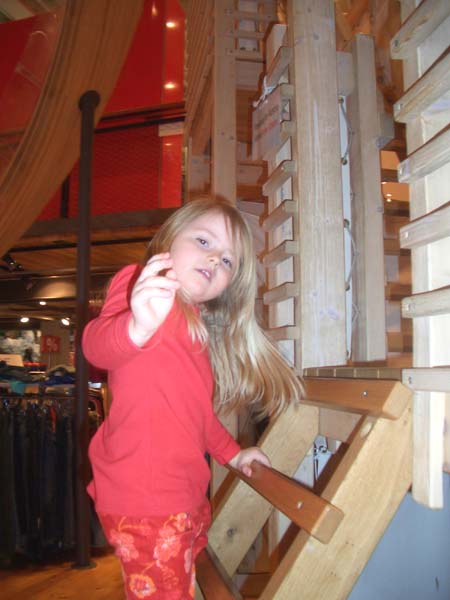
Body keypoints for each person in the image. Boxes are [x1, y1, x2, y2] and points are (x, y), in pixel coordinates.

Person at [82, 197, 303, 599]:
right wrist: (137, 325)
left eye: (228, 261)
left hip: (185, 495)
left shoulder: (196, 328)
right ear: (169, 239)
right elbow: (96, 348)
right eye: (204, 241)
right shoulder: (140, 285)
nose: (216, 258)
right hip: (147, 498)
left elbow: (198, 415)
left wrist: (234, 454)